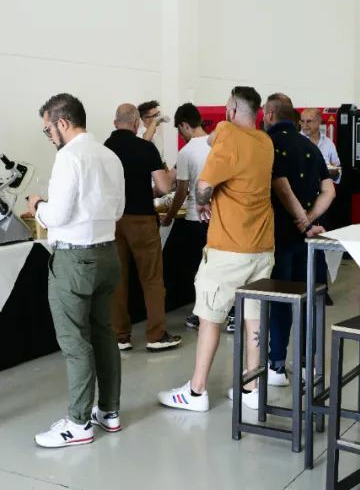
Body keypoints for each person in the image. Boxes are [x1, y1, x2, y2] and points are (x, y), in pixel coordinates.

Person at [157, 86, 275, 412]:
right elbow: (213, 140)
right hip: (262, 246)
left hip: (229, 247)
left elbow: (205, 185)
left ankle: (196, 392)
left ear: (232, 111)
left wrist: (203, 202)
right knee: (253, 317)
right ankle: (251, 388)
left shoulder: (229, 134)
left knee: (209, 317)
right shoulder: (264, 142)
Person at [26, 93, 125, 447]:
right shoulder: (110, 156)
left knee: (75, 342)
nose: (49, 136)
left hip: (74, 260)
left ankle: (79, 422)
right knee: (104, 334)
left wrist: (38, 206)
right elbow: (118, 210)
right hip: (107, 255)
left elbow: (57, 215)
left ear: (63, 122)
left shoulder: (69, 157)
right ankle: (109, 411)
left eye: (48, 129)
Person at [263, 98, 334, 389]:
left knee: (280, 301)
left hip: (278, 236)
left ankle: (277, 365)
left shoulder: (267, 144)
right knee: (309, 301)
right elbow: (329, 190)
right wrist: (310, 219)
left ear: (269, 114)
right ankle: (307, 365)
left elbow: (280, 186)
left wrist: (301, 221)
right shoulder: (310, 147)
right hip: (309, 240)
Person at [104, 104, 182, 352]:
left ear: (115, 123)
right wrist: (172, 176)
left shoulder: (104, 149)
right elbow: (163, 187)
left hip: (112, 222)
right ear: (137, 123)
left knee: (118, 280)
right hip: (142, 220)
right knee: (151, 279)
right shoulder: (146, 148)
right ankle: (156, 335)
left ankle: (120, 336)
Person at [163, 103, 211, 331]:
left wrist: (169, 216)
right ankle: (228, 312)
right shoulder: (217, 145)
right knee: (216, 265)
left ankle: (200, 313)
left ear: (184, 125)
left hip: (195, 218)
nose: (181, 135)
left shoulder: (186, 152)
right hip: (218, 217)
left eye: (179, 130)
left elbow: (181, 191)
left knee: (198, 268)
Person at [300, 108, 341, 177]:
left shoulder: (328, 143)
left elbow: (337, 169)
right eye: (302, 121)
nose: (305, 125)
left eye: (309, 121)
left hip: (325, 183)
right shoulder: (295, 141)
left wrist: (332, 172)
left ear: (318, 122)